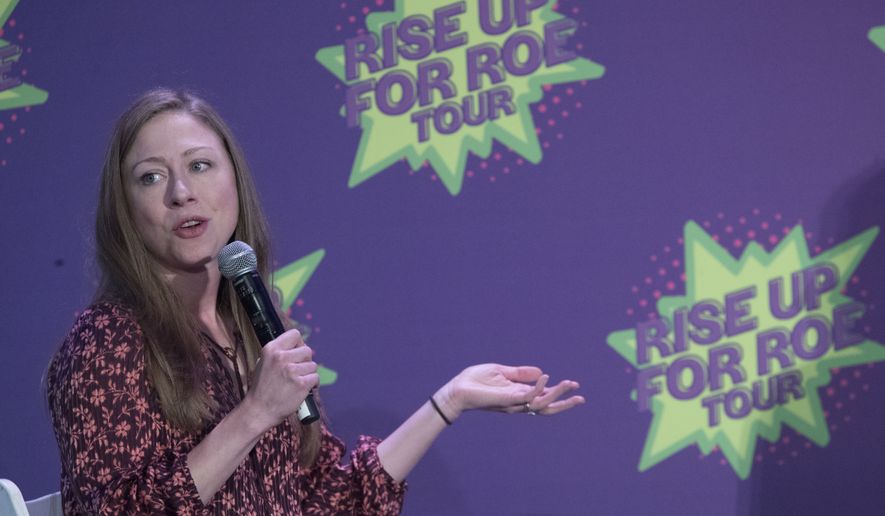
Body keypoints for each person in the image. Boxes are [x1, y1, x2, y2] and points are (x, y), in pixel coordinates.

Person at [46, 88, 585, 515]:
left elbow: (327, 500)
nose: (181, 193)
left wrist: (450, 401)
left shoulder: (252, 326)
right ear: (125, 209)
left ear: (235, 180)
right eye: (151, 177)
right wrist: (255, 411)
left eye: (200, 166)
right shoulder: (107, 341)